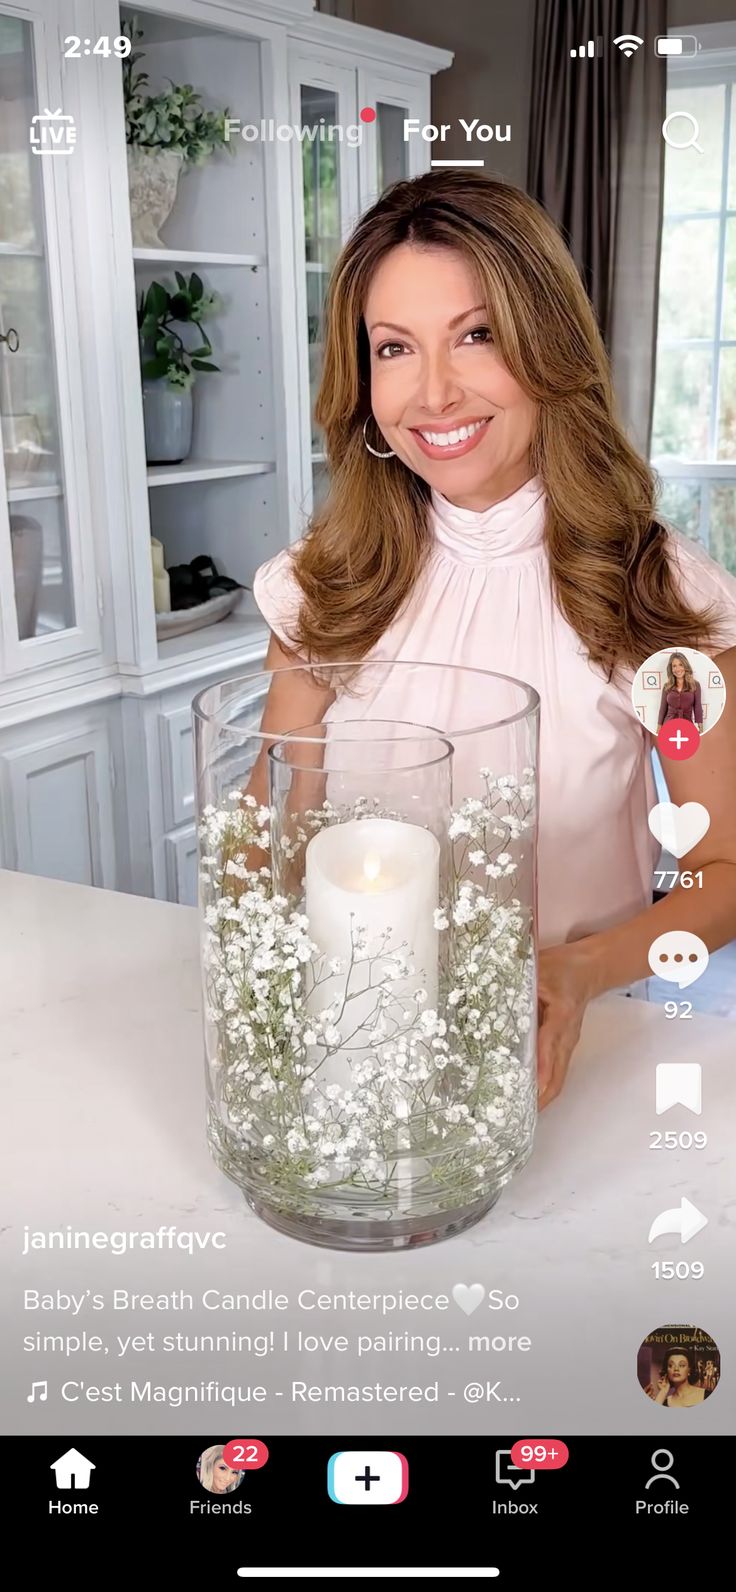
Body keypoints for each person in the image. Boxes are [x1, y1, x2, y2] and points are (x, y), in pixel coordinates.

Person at [250, 170, 736, 1110]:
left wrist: (577, 972)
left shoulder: (657, 597)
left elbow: (725, 873)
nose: (433, 392)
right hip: (354, 1039)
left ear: (547, 346)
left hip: (575, 1050)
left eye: (476, 336)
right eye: (395, 348)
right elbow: (275, 815)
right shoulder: (329, 579)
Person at [657, 652, 703, 731]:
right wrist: (659, 728)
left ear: (685, 666)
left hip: (687, 724)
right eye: (674, 666)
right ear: (671, 669)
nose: (678, 669)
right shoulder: (666, 686)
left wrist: (700, 726)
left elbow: (697, 706)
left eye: (681, 665)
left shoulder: (695, 685)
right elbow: (663, 708)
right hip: (668, 724)